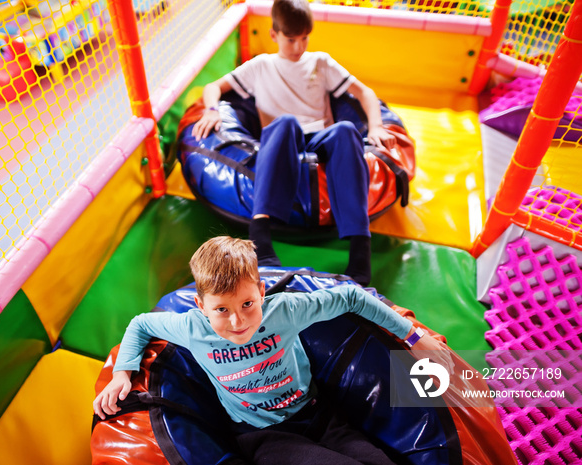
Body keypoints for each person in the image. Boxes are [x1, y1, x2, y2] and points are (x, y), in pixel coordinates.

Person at [93, 236, 447, 465]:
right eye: (221, 310)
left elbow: (352, 297)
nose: (237, 322)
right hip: (262, 437)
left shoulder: (284, 310)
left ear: (262, 291)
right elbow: (140, 324)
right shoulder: (191, 328)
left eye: (248, 303)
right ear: (201, 305)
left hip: (319, 416)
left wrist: (415, 337)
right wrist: (122, 373)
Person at [191, 0, 397, 287]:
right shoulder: (261, 66)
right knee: (285, 122)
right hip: (282, 141)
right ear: (274, 35)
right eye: (291, 39)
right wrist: (212, 110)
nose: (299, 47)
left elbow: (364, 92)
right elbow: (214, 87)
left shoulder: (321, 62)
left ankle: (360, 249)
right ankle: (260, 237)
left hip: (319, 138)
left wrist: (375, 126)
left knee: (347, 129)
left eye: (304, 39)